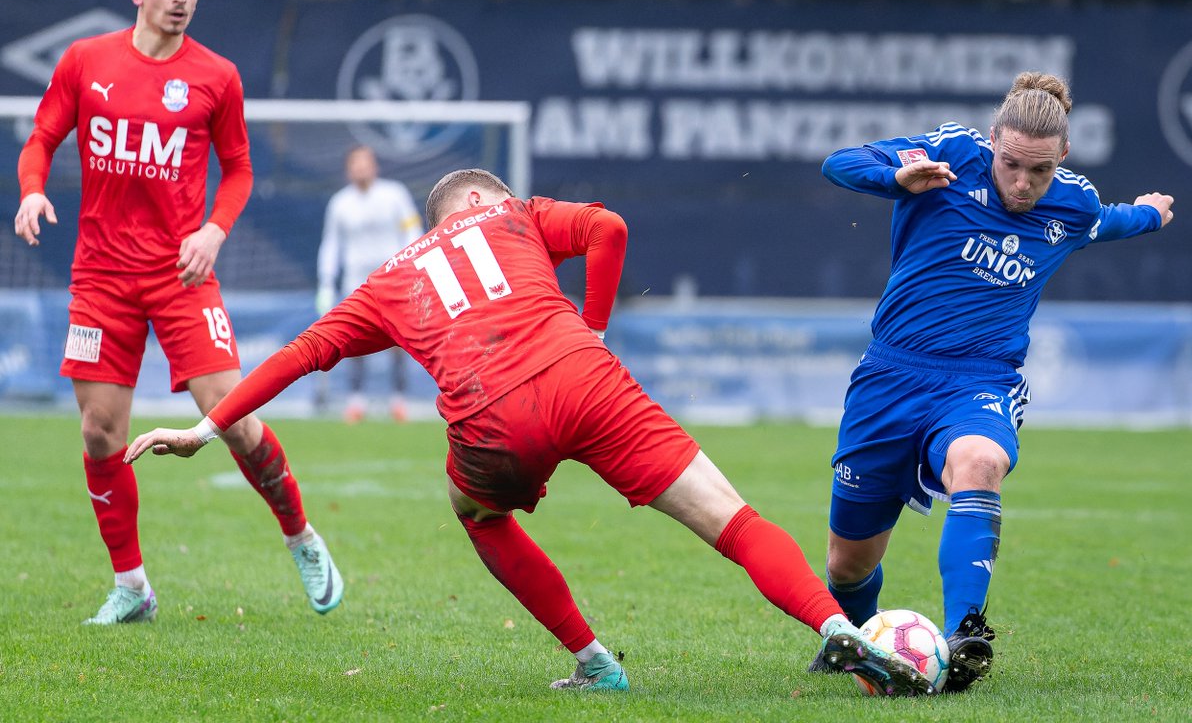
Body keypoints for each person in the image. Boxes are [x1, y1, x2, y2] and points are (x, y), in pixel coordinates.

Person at [125, 168, 934, 696]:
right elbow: (610, 228)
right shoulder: (514, 215)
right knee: (733, 518)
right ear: (484, 201)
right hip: (587, 377)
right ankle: (837, 625)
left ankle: (595, 663)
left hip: (493, 417)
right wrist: (595, 328)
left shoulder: (392, 278)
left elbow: (301, 353)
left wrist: (205, 425)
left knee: (476, 512)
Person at [13, 0, 343, 625]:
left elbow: (241, 170)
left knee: (236, 419)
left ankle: (301, 537)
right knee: (100, 431)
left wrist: (214, 231)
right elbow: (41, 137)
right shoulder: (86, 60)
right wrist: (32, 190)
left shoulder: (216, 76)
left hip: (181, 276)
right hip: (101, 277)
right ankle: (132, 587)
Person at [815, 72, 1175, 692]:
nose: (1022, 183)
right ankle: (861, 637)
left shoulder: (1073, 204)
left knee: (980, 462)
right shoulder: (951, 155)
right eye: (1011, 164)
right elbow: (839, 164)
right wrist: (896, 179)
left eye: (1040, 170)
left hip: (980, 381)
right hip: (890, 375)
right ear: (992, 141)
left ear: (1063, 156)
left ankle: (963, 638)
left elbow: (1107, 221)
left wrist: (1148, 214)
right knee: (847, 565)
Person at [316, 145, 424, 423]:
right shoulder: (340, 203)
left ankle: (399, 399)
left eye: (365, 162)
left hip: (393, 278)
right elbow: (331, 244)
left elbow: (412, 230)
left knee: (398, 339)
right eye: (355, 163)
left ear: (374, 166)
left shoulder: (395, 194)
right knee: (355, 338)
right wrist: (326, 282)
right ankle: (356, 400)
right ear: (348, 169)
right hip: (355, 280)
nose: (361, 168)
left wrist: (412, 267)